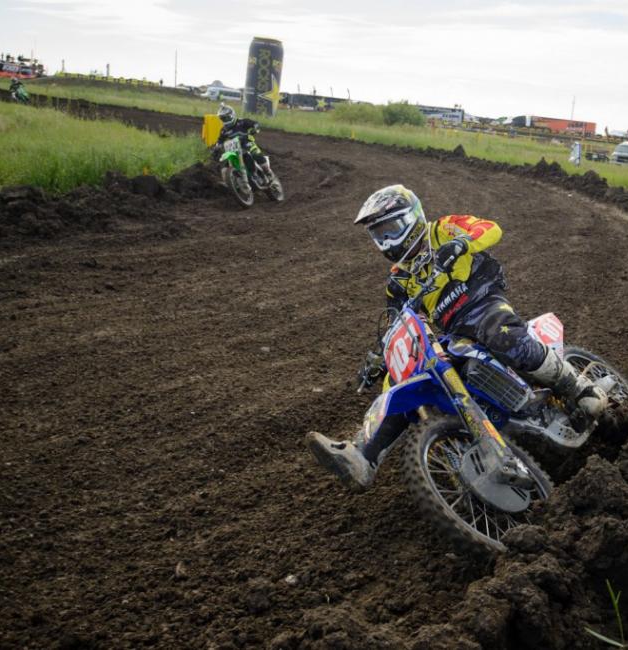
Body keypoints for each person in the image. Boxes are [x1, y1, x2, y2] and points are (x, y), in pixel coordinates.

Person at [306, 184, 608, 489]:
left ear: (412, 217)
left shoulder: (442, 230)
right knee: (404, 379)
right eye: (378, 234)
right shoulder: (398, 278)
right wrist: (380, 357)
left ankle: (580, 388)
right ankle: (363, 456)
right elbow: (400, 323)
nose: (386, 240)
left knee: (500, 333)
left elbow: (490, 228)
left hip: (483, 299)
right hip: (454, 329)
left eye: (390, 228)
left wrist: (462, 243)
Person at [213, 103, 272, 183]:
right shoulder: (224, 130)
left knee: (255, 154)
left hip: (247, 143)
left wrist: (255, 129)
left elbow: (255, 124)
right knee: (225, 165)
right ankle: (231, 182)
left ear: (232, 115)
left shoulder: (242, 122)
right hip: (234, 148)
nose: (225, 121)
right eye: (223, 119)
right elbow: (220, 141)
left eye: (227, 118)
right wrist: (216, 147)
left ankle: (268, 173)